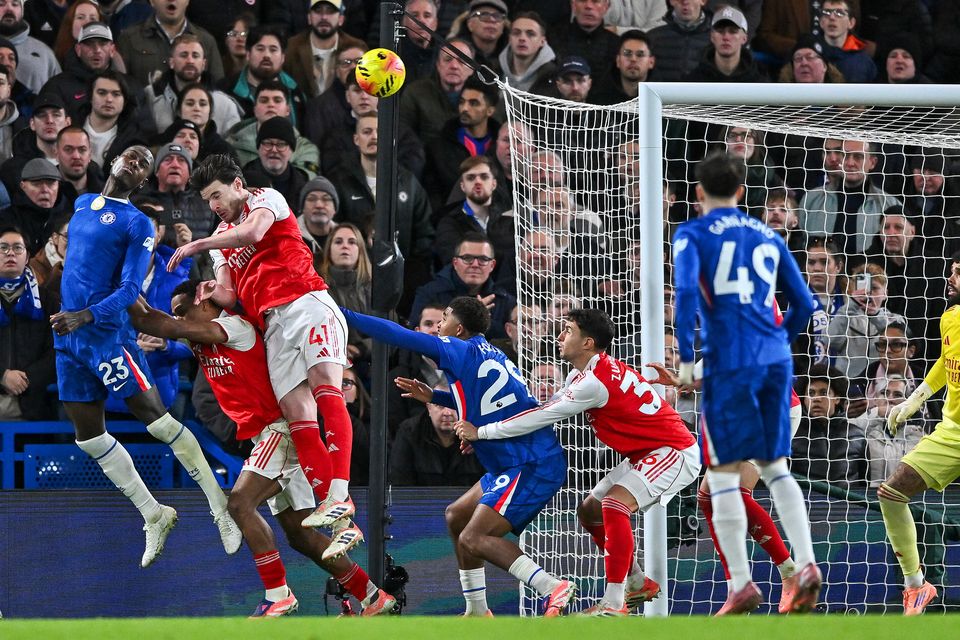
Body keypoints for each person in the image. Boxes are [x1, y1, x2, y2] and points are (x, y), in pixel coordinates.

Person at [128, 279, 398, 617]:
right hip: (265, 435)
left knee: (240, 503)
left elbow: (158, 322)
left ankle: (277, 593)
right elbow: (159, 323)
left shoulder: (235, 327)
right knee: (300, 535)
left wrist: (116, 285)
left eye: (184, 311)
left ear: (207, 303)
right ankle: (373, 597)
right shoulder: (199, 337)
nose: (179, 318)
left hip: (281, 430)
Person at [48, 145, 241, 568]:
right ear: (114, 160)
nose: (135, 164)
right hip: (69, 340)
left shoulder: (138, 224)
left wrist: (85, 315)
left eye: (143, 166)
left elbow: (130, 291)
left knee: (160, 422)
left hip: (105, 336)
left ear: (143, 182)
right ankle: (153, 513)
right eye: (131, 156)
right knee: (90, 437)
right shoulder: (83, 204)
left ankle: (219, 508)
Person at [167, 154, 360, 557]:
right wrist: (208, 289)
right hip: (272, 325)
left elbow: (251, 233)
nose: (214, 206)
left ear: (237, 184)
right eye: (207, 201)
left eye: (217, 195)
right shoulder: (221, 240)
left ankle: (340, 493)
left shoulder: (265, 199)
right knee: (297, 416)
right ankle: (341, 519)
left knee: (327, 391)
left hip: (305, 302)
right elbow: (230, 293)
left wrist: (196, 244)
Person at [342, 296, 575, 617]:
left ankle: (551, 587)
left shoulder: (457, 349)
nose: (439, 324)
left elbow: (397, 333)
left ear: (459, 328)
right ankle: (477, 610)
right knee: (456, 516)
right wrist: (435, 395)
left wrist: (343, 313)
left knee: (474, 536)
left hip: (529, 462)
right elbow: (492, 402)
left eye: (446, 317)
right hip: (514, 458)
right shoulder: (489, 352)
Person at [457, 308, 698, 615]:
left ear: (588, 343)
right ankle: (637, 582)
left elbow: (541, 416)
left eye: (568, 330)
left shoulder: (592, 382)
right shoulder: (583, 374)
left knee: (613, 505)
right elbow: (544, 409)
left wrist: (483, 432)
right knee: (589, 510)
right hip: (646, 453)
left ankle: (612, 604)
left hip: (674, 451)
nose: (559, 336)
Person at [672, 151, 819, 614]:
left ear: (698, 192)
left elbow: (684, 299)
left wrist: (684, 361)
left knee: (719, 477)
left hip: (729, 363)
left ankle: (741, 582)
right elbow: (805, 302)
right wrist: (778, 339)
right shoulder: (768, 235)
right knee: (776, 469)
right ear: (740, 191)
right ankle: (808, 564)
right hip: (775, 364)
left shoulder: (691, 234)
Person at [876, 255, 960, 615]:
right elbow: (947, 361)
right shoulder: (951, 316)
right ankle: (916, 585)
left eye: (959, 272)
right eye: (953, 270)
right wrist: (912, 401)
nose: (951, 277)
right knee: (892, 492)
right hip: (953, 432)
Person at [0, 224, 56, 420]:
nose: (10, 253)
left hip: (33, 399)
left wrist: (25, 379)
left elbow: (56, 349)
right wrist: (3, 376)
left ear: (27, 256)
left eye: (17, 248)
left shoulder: (48, 301)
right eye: (3, 247)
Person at [390, 380, 485, 486]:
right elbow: (400, 482)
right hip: (419, 501)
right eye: (440, 405)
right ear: (428, 408)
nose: (447, 412)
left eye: (453, 406)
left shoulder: (478, 434)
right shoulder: (409, 432)